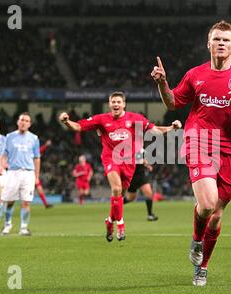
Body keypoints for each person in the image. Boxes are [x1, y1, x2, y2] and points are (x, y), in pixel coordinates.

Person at [151, 20, 231, 286]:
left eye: (225, 40)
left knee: (216, 215)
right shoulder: (195, 75)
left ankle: (202, 266)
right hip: (200, 140)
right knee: (206, 205)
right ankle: (196, 239)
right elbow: (172, 103)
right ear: (208, 43)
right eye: (216, 39)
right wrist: (163, 84)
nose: (220, 43)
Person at [59, 91, 181, 242]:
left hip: (129, 163)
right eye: (113, 102)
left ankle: (110, 221)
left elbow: (155, 130)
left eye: (118, 102)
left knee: (120, 196)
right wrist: (66, 122)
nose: (116, 104)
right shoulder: (101, 119)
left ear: (124, 104)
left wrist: (171, 128)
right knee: (116, 189)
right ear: (109, 104)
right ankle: (121, 224)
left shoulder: (135, 119)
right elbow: (78, 127)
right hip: (111, 159)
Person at [0, 112, 41, 236]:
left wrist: (37, 176)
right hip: (13, 172)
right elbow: (4, 154)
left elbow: (37, 158)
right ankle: (7, 225)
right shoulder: (9, 136)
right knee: (10, 201)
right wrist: (2, 166)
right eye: (22, 120)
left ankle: (23, 227)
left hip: (28, 173)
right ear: (18, 122)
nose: (23, 122)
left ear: (30, 124)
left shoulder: (34, 138)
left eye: (26, 121)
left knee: (26, 201)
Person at [123, 148, 158, 221]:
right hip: (131, 175)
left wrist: (147, 165)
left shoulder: (141, 149)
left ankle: (150, 215)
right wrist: (143, 161)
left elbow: (144, 159)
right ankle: (116, 205)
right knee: (131, 198)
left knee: (148, 193)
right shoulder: (127, 148)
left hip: (142, 175)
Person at [37, 139, 53, 209]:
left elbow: (40, 151)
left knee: (39, 188)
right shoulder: (30, 153)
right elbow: (39, 150)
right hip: (27, 174)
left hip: (33, 175)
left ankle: (46, 204)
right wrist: (46, 145)